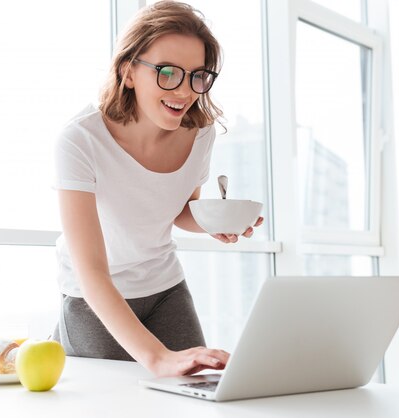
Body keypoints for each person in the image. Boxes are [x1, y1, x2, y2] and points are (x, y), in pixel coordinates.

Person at [51, 0, 263, 377]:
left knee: (195, 391)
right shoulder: (80, 140)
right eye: (167, 72)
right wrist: (156, 357)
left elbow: (180, 210)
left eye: (198, 75)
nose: (184, 91)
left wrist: (213, 221)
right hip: (93, 300)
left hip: (166, 290)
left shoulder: (200, 134)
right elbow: (92, 271)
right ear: (128, 71)